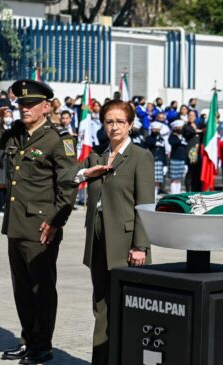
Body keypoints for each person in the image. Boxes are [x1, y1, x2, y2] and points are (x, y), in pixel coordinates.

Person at [0, 80, 78, 364]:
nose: (24, 108)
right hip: (17, 225)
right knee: (22, 288)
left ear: (46, 107)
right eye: (21, 104)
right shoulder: (16, 134)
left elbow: (69, 186)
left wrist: (56, 221)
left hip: (42, 227)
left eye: (31, 104)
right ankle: (28, 340)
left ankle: (43, 345)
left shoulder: (59, 140)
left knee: (42, 289)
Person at [70, 100, 155, 364]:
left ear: (130, 125)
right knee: (101, 306)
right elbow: (67, 177)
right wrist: (85, 173)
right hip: (98, 242)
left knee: (127, 308)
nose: (114, 126)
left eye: (120, 121)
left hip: (128, 246)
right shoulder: (96, 156)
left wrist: (140, 246)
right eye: (109, 121)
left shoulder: (141, 157)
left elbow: (145, 204)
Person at [0, 111, 13, 214]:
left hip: (12, 158)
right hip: (0, 157)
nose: (8, 118)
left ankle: (9, 206)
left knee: (10, 184)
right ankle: (1, 205)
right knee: (1, 184)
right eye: (6, 116)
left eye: (10, 116)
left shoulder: (15, 128)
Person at [144, 121, 167, 195]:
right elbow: (148, 142)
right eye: (155, 129)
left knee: (157, 180)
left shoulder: (162, 140)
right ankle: (149, 194)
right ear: (152, 129)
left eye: (158, 130)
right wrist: (155, 143)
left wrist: (165, 164)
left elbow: (164, 152)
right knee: (151, 179)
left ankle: (155, 194)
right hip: (150, 160)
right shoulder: (148, 138)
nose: (156, 131)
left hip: (160, 161)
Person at [168, 120, 187, 194]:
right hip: (175, 159)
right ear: (175, 128)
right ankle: (173, 193)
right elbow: (171, 142)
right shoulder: (172, 136)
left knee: (179, 178)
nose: (181, 128)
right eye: (179, 127)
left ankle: (177, 193)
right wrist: (180, 141)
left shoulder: (184, 136)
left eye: (182, 127)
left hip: (182, 159)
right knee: (174, 178)